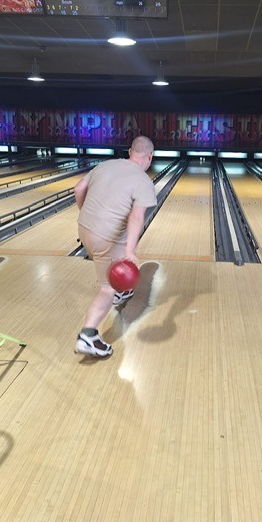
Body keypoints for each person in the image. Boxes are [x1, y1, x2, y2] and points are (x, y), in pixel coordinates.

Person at [73, 136, 156, 357]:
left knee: (112, 259)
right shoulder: (143, 181)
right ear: (150, 156)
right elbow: (136, 217)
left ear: (130, 151)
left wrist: (86, 214)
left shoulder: (105, 165)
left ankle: (120, 291)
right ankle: (88, 335)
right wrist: (130, 251)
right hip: (105, 238)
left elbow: (79, 189)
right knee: (106, 288)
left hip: (84, 228)